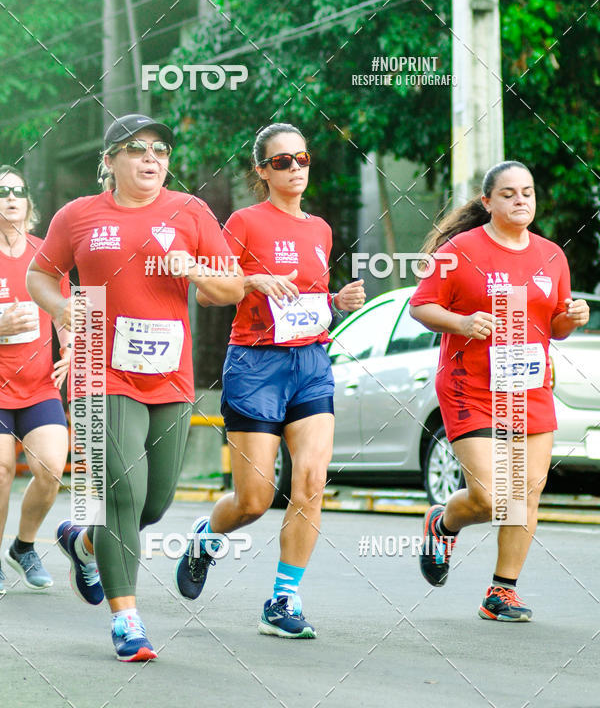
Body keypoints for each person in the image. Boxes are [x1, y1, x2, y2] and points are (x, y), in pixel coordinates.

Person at [27, 113, 244, 660]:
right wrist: (65, 308)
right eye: (136, 149)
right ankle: (127, 621)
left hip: (169, 373)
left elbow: (232, 285)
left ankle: (82, 538)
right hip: (100, 363)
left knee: (153, 501)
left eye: (160, 150)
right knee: (121, 492)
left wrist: (194, 269)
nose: (151, 158)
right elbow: (39, 274)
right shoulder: (77, 216)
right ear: (110, 161)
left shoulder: (190, 212)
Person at [174, 121, 365, 638]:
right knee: (254, 499)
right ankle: (205, 537)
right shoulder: (243, 222)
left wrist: (335, 302)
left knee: (310, 481)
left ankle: (283, 600)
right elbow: (210, 293)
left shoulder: (321, 229)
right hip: (255, 366)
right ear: (261, 170)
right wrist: (251, 279)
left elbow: (302, 302)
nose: (295, 168)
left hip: (310, 364)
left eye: (302, 158)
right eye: (282, 161)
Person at [409, 160, 589, 621]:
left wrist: (570, 320)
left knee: (527, 492)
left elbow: (555, 325)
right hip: (470, 385)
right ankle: (444, 522)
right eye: (508, 193)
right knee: (494, 496)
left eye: (527, 192)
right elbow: (421, 306)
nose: (520, 200)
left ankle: (501, 592)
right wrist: (463, 323)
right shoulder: (459, 249)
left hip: (528, 386)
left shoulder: (552, 254)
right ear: (487, 202)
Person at [0, 165, 71, 594]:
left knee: (50, 468)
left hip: (39, 384)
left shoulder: (45, 253)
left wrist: (71, 349)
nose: (10, 197)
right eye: (1, 191)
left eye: (18, 190)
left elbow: (65, 309)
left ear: (29, 203)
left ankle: (24, 546)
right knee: (2, 467)